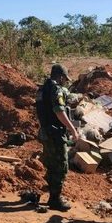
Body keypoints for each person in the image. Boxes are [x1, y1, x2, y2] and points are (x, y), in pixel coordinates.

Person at [36, 64, 80, 211]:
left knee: (51, 163)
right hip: (55, 134)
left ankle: (52, 194)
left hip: (45, 131)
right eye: (64, 79)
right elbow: (59, 111)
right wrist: (72, 129)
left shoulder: (42, 89)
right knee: (61, 165)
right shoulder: (56, 89)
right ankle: (55, 199)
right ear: (61, 77)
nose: (65, 82)